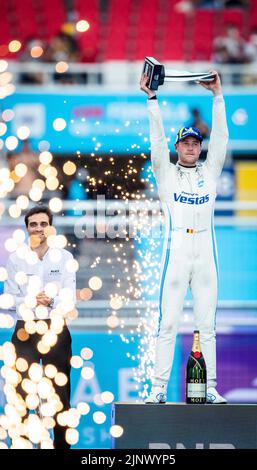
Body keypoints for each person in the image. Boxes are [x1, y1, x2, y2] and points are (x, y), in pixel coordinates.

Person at [140, 70, 228, 404]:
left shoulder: (209, 171)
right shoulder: (165, 173)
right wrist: (152, 99)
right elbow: (155, 139)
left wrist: (217, 97)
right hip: (176, 247)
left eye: (195, 143)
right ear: (177, 147)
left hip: (206, 249)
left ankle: (211, 387)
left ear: (199, 147)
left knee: (208, 325)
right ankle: (159, 388)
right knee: (168, 323)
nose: (191, 148)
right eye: (185, 143)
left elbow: (220, 139)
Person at [4, 205, 76, 448]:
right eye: (33, 224)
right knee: (22, 399)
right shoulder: (16, 259)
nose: (38, 228)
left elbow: (70, 301)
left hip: (56, 331)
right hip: (25, 331)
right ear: (26, 228)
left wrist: (52, 300)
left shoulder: (65, 258)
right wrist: (31, 300)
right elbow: (8, 299)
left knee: (60, 397)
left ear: (51, 227)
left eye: (43, 224)